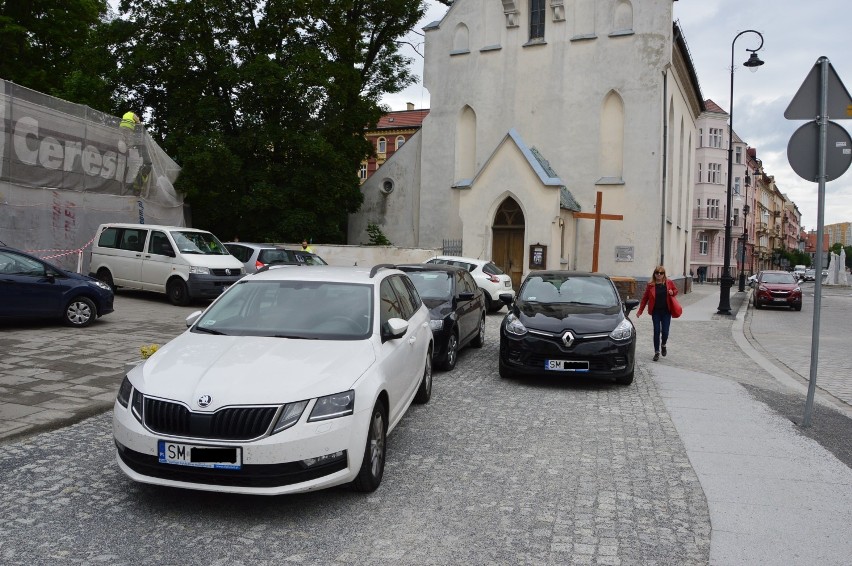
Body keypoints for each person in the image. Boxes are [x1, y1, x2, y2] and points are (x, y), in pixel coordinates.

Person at [636, 265, 678, 361]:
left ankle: (663, 344)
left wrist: (672, 292)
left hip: (666, 311)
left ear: (664, 274)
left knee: (665, 332)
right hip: (656, 312)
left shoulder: (669, 283)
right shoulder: (650, 285)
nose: (659, 275)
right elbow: (645, 298)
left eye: (661, 273)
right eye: (657, 273)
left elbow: (676, 290)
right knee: (656, 331)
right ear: (654, 274)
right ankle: (656, 352)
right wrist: (640, 311)